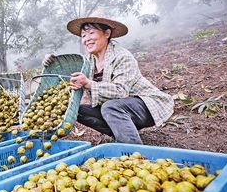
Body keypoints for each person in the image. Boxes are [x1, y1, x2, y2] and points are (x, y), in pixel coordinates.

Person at [43, 13, 174, 144]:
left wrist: (88, 83)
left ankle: (134, 149)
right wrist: (53, 62)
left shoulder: (122, 56)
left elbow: (121, 91)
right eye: (83, 35)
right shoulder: (88, 61)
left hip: (146, 105)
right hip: (120, 109)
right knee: (78, 109)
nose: (87, 39)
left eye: (91, 33)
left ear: (107, 33)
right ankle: (121, 134)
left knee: (110, 107)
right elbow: (68, 74)